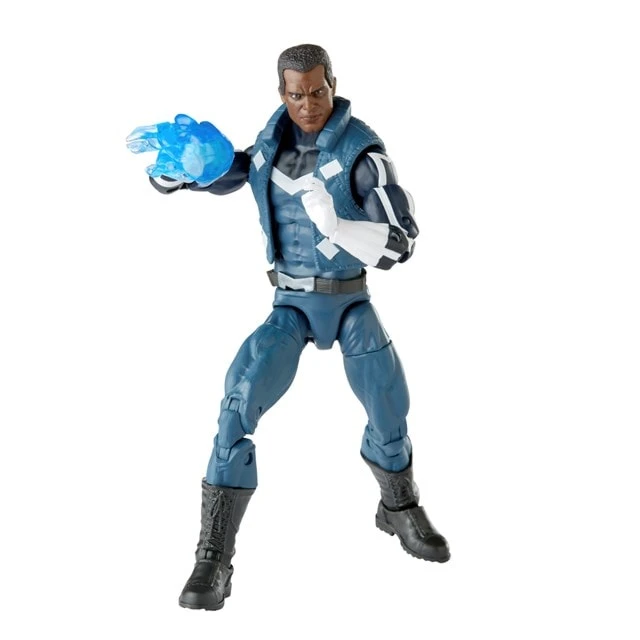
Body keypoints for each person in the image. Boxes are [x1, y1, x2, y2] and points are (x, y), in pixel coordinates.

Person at [135, 44, 449, 611]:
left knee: (387, 402)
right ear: (282, 93)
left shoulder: (363, 155)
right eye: (297, 94)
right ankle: (213, 555)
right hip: (292, 303)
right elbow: (221, 174)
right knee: (238, 401)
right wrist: (177, 171)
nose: (308, 104)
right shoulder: (268, 150)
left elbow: (401, 244)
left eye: (318, 90)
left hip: (350, 300)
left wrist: (338, 227)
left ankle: (399, 507)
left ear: (333, 85)